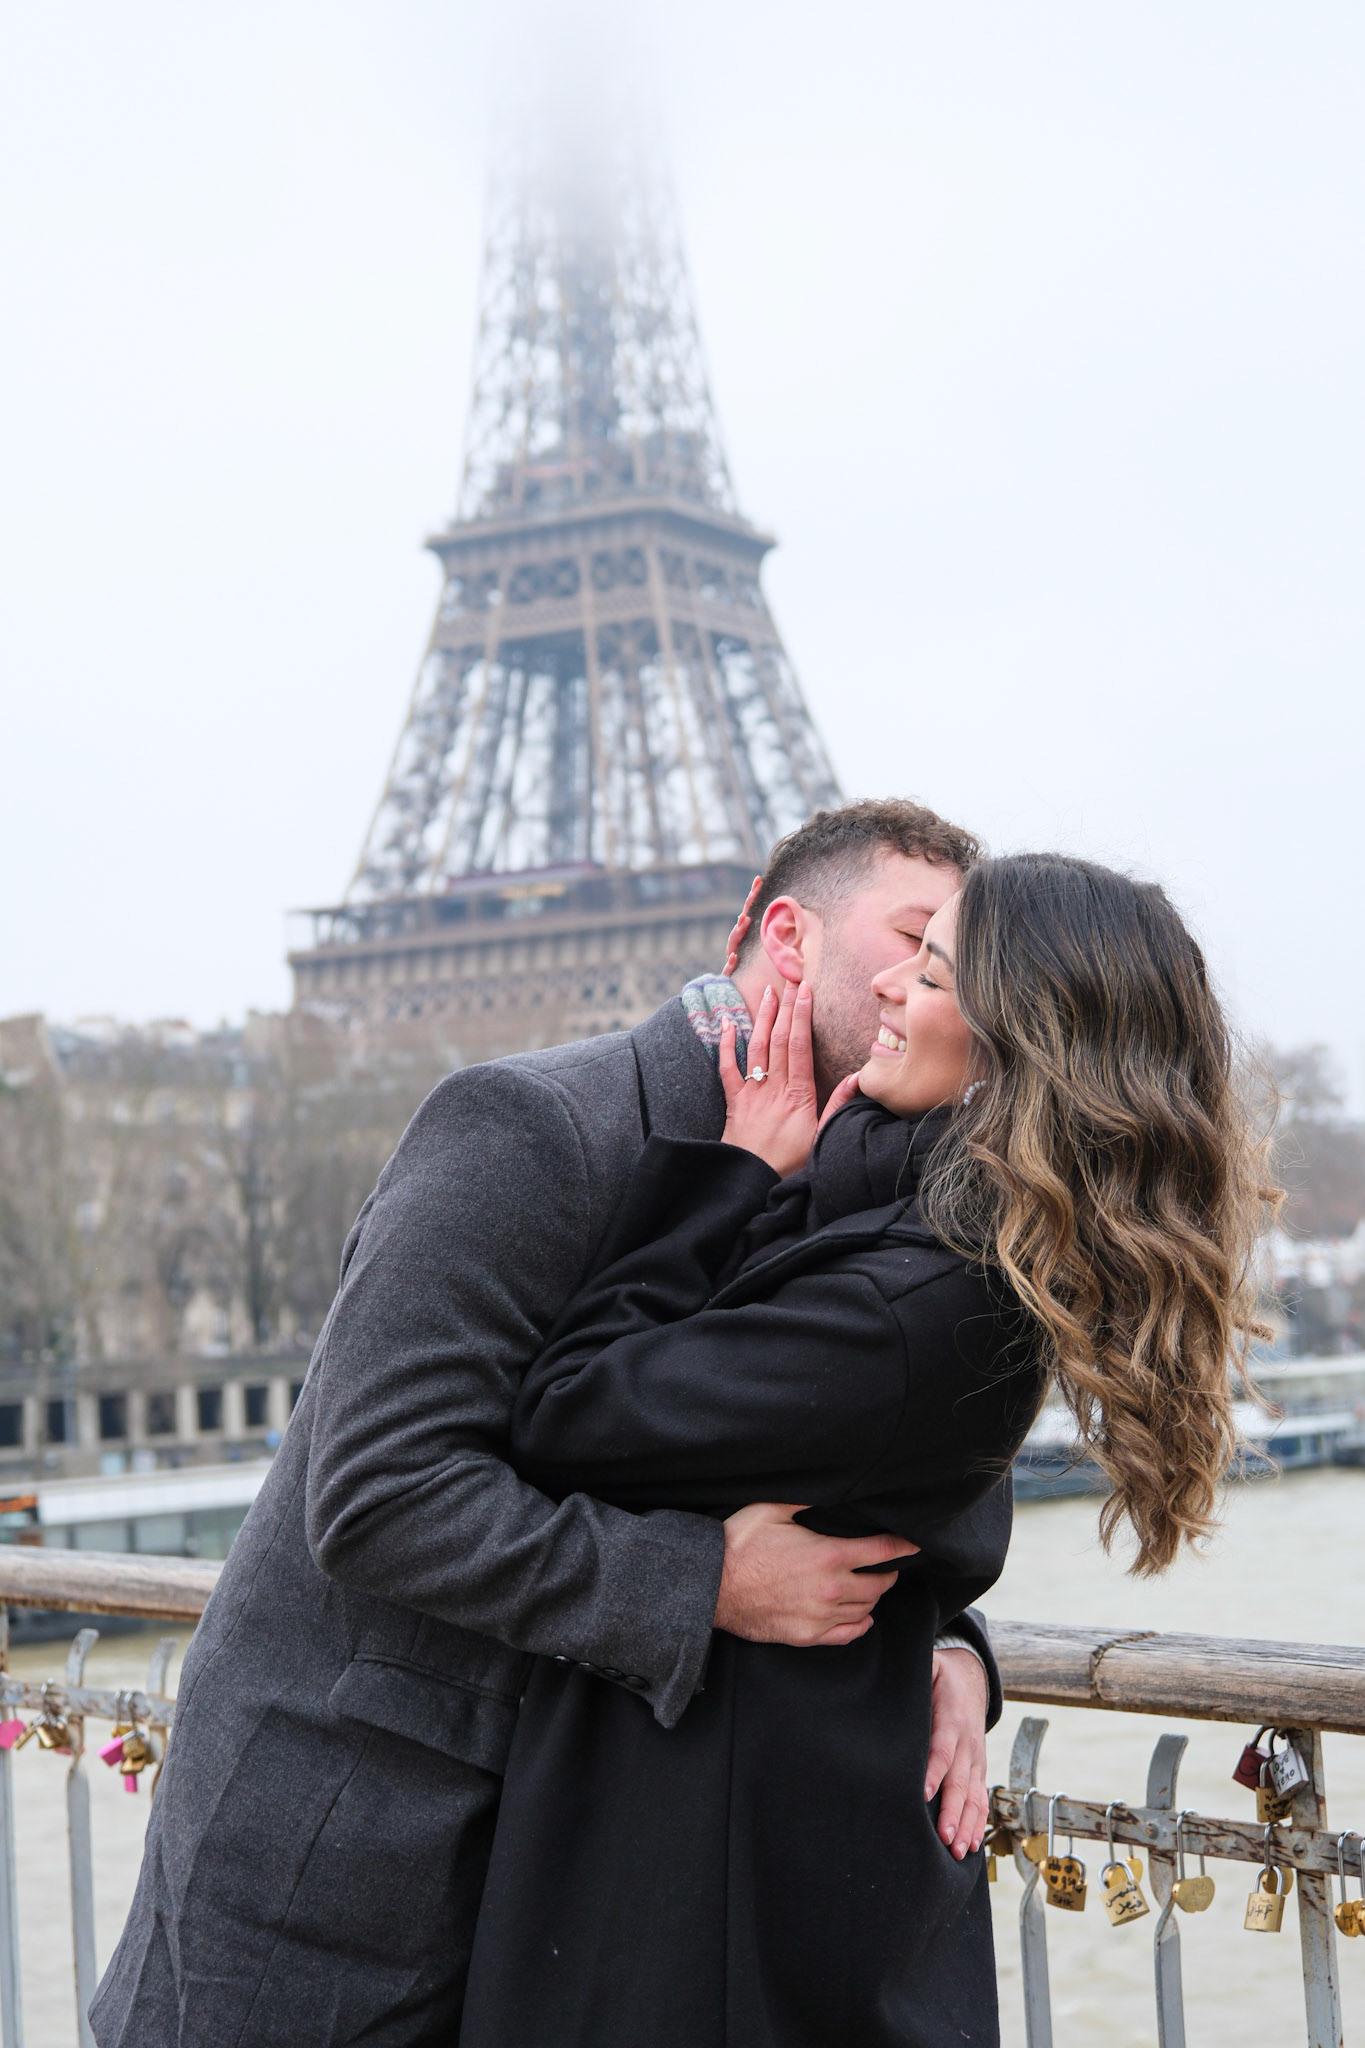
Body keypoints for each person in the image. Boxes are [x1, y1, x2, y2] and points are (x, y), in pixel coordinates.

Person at [92, 799, 1002, 2048]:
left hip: (575, 1898)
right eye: (916, 936)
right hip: (345, 1856)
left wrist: (949, 1644)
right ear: (788, 936)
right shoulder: (531, 1126)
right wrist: (708, 1580)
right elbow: (378, 1492)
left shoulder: (866, 1185)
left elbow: (884, 1459)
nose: (934, 982)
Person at [457, 853, 1272, 2048]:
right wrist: (956, 1641)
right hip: (768, 1847)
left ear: (1013, 1048)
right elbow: (924, 1511)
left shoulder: (907, 1301)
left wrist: (728, 1172)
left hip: (717, 1894)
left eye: (932, 972)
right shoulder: (933, 1233)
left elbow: (568, 1409)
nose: (893, 984)